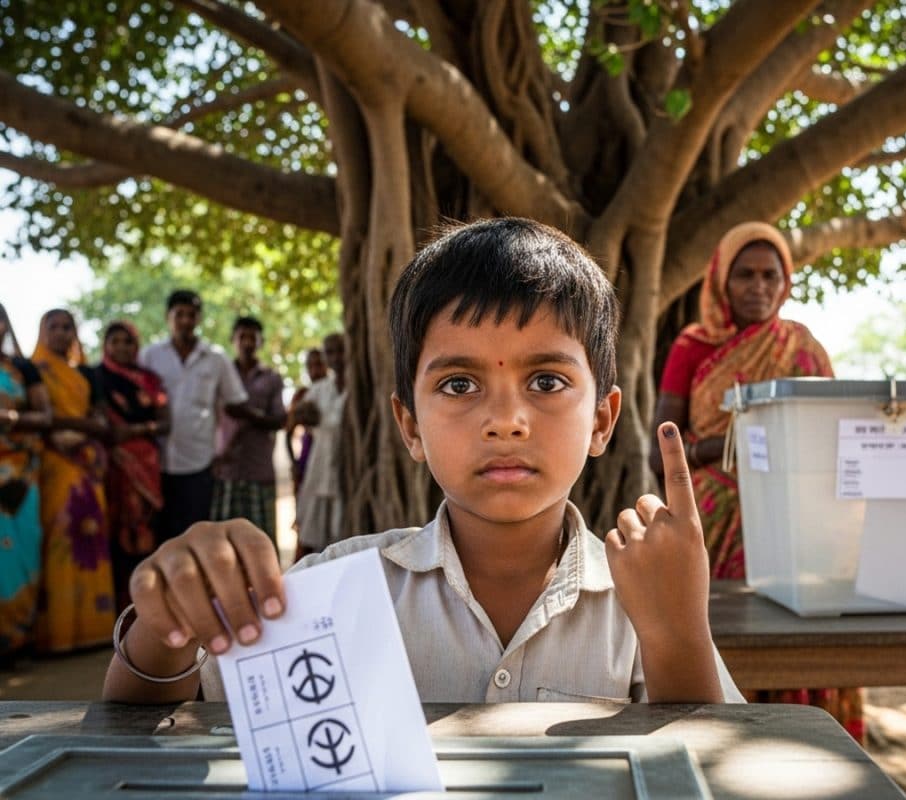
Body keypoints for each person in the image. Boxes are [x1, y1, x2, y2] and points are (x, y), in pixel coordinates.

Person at [101, 217, 744, 708]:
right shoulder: (333, 588)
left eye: (547, 381)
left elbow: (713, 769)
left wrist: (679, 633)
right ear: (409, 424)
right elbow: (150, 725)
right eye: (459, 385)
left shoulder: (643, 602)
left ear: (602, 420)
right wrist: (165, 627)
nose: (506, 419)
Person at [649, 221, 864, 742]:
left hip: (796, 522)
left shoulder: (801, 346)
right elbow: (662, 450)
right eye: (744, 274)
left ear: (787, 282)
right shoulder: (692, 346)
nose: (759, 286)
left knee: (800, 635)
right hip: (714, 522)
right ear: (721, 280)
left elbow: (831, 435)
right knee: (726, 645)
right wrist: (728, 448)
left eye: (771, 275)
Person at [139, 290, 258, 543]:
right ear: (167, 317)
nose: (184, 320)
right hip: (156, 463)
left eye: (191, 315)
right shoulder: (150, 356)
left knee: (196, 537)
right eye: (178, 314)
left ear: (199, 319)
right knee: (160, 537)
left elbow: (236, 405)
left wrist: (226, 451)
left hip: (199, 464)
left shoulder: (215, 359)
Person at [30, 309, 115, 653]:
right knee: (62, 540)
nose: (62, 333)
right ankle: (60, 633)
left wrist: (89, 431)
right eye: (54, 326)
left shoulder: (82, 375)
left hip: (87, 468)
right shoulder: (34, 370)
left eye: (68, 327)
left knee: (92, 537)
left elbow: (97, 418)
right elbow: (45, 422)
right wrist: (85, 431)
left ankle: (91, 630)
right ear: (42, 330)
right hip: (56, 464)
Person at [94, 321, 170, 611]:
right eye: (115, 341)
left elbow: (166, 423)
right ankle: (120, 607)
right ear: (106, 345)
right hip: (113, 466)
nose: (122, 348)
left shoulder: (150, 380)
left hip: (148, 466)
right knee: (117, 531)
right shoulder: (97, 377)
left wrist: (135, 431)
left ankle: (148, 606)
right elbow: (102, 423)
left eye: (128, 342)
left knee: (148, 529)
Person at [0, 303, 51, 661]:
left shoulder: (23, 369)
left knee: (21, 552)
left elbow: (46, 417)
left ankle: (17, 638)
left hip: (21, 477)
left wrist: (13, 417)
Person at [211, 317, 286, 549]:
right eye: (242, 336)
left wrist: (247, 413)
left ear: (260, 342)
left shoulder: (271, 378)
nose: (247, 342)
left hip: (258, 470)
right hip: (226, 469)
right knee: (223, 544)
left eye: (252, 337)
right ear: (233, 340)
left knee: (261, 542)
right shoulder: (220, 374)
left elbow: (280, 419)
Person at [291, 334, 346, 561]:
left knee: (344, 535)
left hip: (347, 473)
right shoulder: (320, 390)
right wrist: (296, 463)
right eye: (329, 352)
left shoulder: (361, 388)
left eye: (339, 350)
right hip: (319, 469)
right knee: (315, 541)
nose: (335, 357)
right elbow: (294, 422)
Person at [285, 347, 327, 497]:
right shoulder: (302, 395)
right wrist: (294, 463)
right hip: (308, 453)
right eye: (311, 366)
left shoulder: (336, 393)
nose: (315, 371)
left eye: (319, 364)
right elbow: (288, 433)